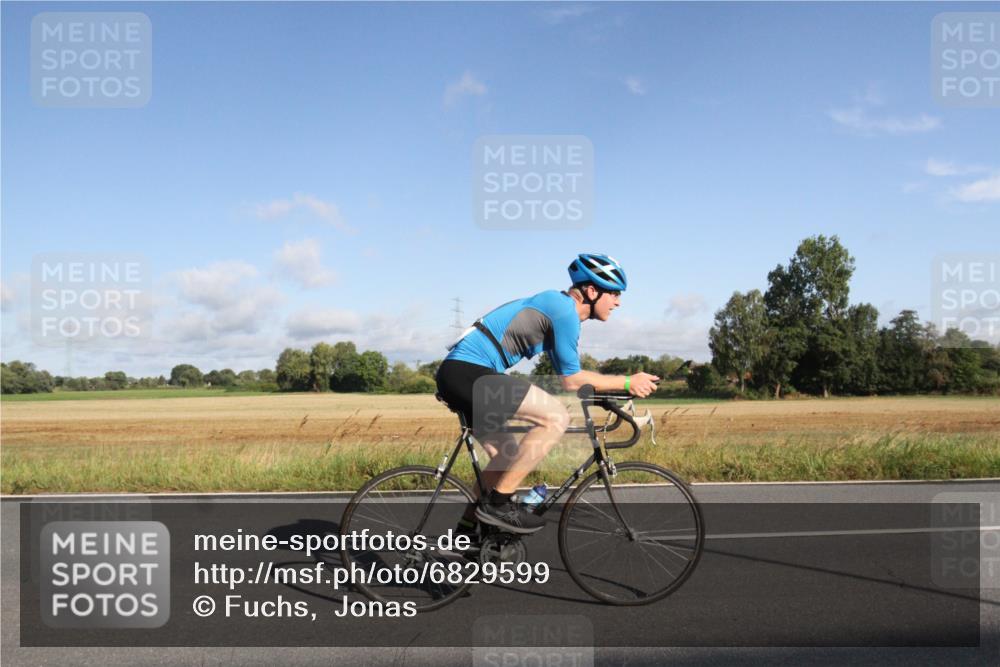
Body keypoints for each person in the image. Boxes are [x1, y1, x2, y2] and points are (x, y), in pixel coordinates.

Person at [435, 253, 660, 535]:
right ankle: (499, 505)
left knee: (505, 455)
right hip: (469, 372)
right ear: (592, 292)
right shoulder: (564, 310)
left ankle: (467, 533)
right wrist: (628, 382)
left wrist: (608, 392)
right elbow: (571, 380)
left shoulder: (558, 309)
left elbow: (571, 375)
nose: (618, 302)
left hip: (462, 374)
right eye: (614, 294)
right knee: (555, 417)